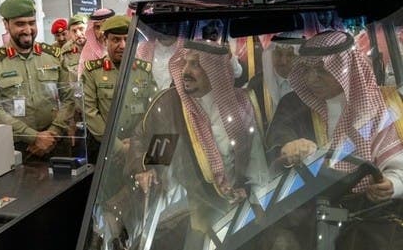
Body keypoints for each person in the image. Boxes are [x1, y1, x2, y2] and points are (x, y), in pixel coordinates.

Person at [266, 31, 403, 250]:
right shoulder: (297, 104)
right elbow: (281, 135)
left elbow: (398, 167)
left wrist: (391, 185)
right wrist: (288, 147)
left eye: (322, 70)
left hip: (368, 216)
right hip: (309, 216)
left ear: (345, 71)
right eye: (307, 70)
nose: (311, 79)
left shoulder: (379, 105)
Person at [126, 37, 268, 249]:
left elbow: (256, 166)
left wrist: (260, 209)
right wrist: (146, 169)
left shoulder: (241, 104)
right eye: (184, 63)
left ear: (216, 71)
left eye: (195, 64)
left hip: (238, 211)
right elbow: (160, 160)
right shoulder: (172, 107)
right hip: (193, 211)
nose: (185, 71)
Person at [0, 0, 72, 159]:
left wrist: (53, 133)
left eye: (31, 22)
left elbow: (69, 98)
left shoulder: (54, 56)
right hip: (18, 148)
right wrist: (34, 137)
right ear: (6, 24)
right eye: (20, 24)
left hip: (57, 143)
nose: (28, 29)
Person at [82, 15, 157, 162]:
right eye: (116, 40)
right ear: (105, 40)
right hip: (104, 150)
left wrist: (135, 143)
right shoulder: (93, 72)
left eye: (127, 39)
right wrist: (117, 147)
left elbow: (152, 109)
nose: (122, 45)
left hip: (136, 148)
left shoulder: (144, 71)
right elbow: (90, 113)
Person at [247, 33, 305, 134]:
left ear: (300, 58)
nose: (283, 61)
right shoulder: (256, 85)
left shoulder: (311, 84)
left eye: (290, 55)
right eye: (278, 54)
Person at [77, 8, 115, 78]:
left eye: (105, 26)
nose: (102, 31)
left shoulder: (124, 46)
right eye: (97, 27)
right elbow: (82, 81)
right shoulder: (87, 52)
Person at [61, 14, 88, 82]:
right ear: (69, 33)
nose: (78, 34)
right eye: (74, 31)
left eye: (81, 29)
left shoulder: (99, 46)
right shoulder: (66, 50)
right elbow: (63, 80)